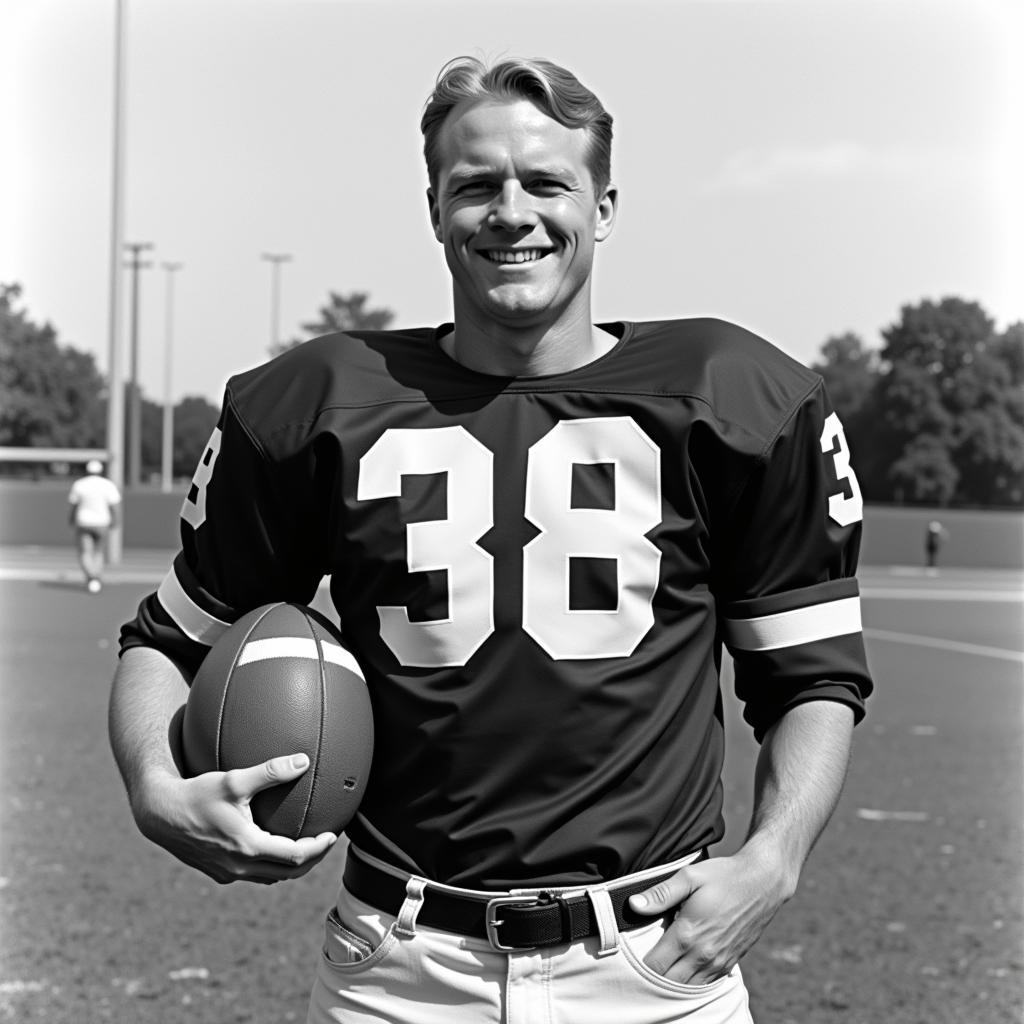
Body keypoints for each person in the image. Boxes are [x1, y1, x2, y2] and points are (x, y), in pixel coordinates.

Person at [108, 56, 873, 1024]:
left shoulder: (732, 394)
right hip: (396, 966)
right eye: (475, 185)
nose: (511, 212)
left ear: (602, 206)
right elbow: (170, 642)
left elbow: (808, 677)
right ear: (433, 208)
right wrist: (150, 785)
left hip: (652, 964)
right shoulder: (316, 403)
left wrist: (775, 860)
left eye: (546, 182)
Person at [68, 458, 121, 593]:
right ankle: (95, 577)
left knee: (86, 552)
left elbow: (74, 506)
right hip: (102, 522)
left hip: (84, 522)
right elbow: (114, 506)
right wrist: (116, 520)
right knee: (98, 552)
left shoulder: (79, 484)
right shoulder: (107, 484)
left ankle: (92, 577)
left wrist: (71, 519)